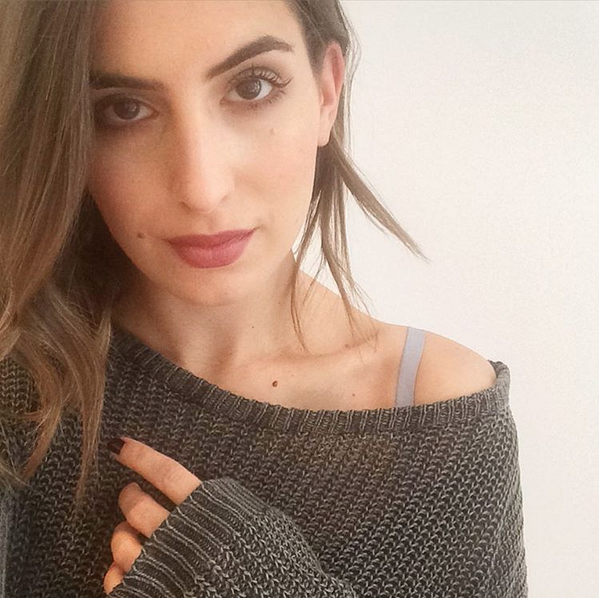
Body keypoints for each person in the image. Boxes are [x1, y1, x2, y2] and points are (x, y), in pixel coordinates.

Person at [0, 1, 528, 597]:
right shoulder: (20, 380)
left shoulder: (441, 420)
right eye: (124, 109)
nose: (202, 188)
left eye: (251, 87)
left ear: (327, 92)